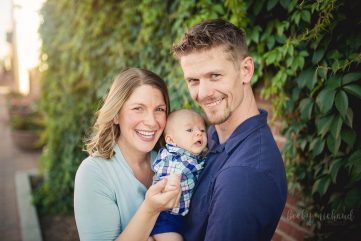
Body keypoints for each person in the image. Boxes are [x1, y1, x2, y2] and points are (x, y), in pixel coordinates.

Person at [172, 19, 288, 241]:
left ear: (245, 70)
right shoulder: (212, 136)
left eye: (215, 76)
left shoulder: (243, 175)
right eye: (193, 80)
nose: (203, 93)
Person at [74, 68, 181, 241]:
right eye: (138, 108)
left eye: (159, 109)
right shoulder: (93, 173)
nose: (151, 121)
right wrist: (150, 209)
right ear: (116, 115)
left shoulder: (168, 162)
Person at [151, 109, 208, 241]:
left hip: (184, 215)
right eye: (189, 130)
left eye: (202, 130)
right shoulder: (173, 157)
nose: (198, 133)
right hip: (166, 217)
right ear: (171, 140)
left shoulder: (194, 155)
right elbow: (168, 173)